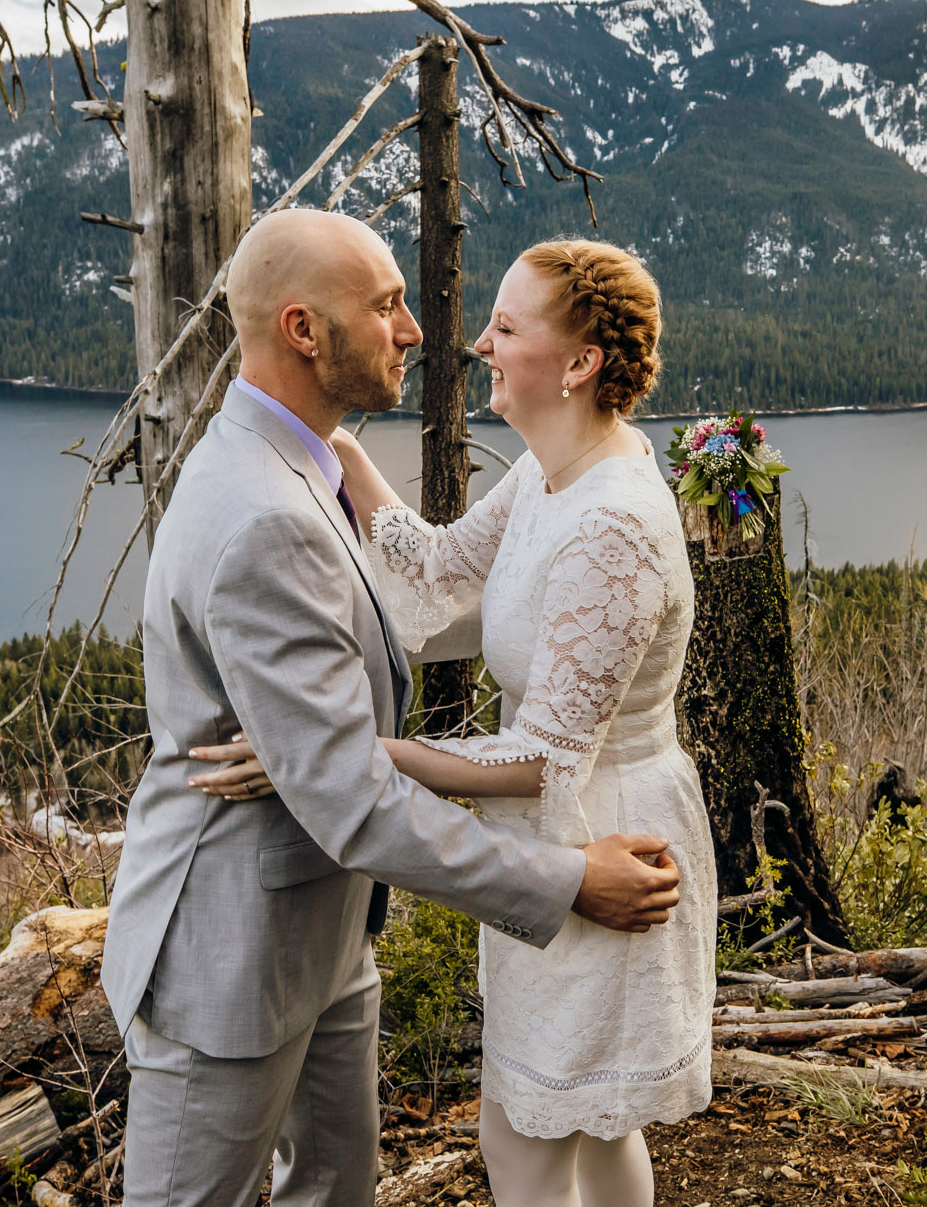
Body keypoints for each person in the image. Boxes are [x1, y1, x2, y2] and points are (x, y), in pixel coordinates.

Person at [100, 208, 683, 1207]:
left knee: (547, 1126)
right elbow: (361, 773)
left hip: (366, 908)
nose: (428, 331)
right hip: (235, 947)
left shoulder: (300, 467)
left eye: (503, 324)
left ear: (579, 363)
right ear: (302, 332)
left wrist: (351, 752)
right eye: (386, 306)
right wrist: (551, 877)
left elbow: (436, 720)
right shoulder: (271, 511)